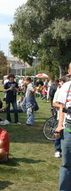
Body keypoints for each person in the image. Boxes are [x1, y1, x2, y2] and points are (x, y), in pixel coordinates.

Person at [55, 62, 71, 190]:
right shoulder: (66, 86)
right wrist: (60, 125)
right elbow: (62, 107)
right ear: (69, 72)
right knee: (67, 163)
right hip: (68, 130)